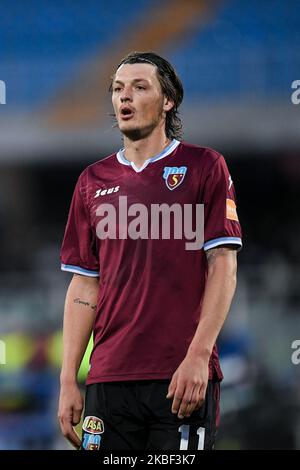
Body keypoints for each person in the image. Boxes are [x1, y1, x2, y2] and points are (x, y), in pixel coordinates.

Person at [58, 51, 242, 451]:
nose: (125, 97)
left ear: (167, 101)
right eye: (118, 89)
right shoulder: (92, 181)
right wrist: (68, 379)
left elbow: (223, 266)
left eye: (140, 87)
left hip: (181, 376)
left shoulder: (204, 167)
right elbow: (84, 287)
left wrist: (199, 355)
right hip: (107, 380)